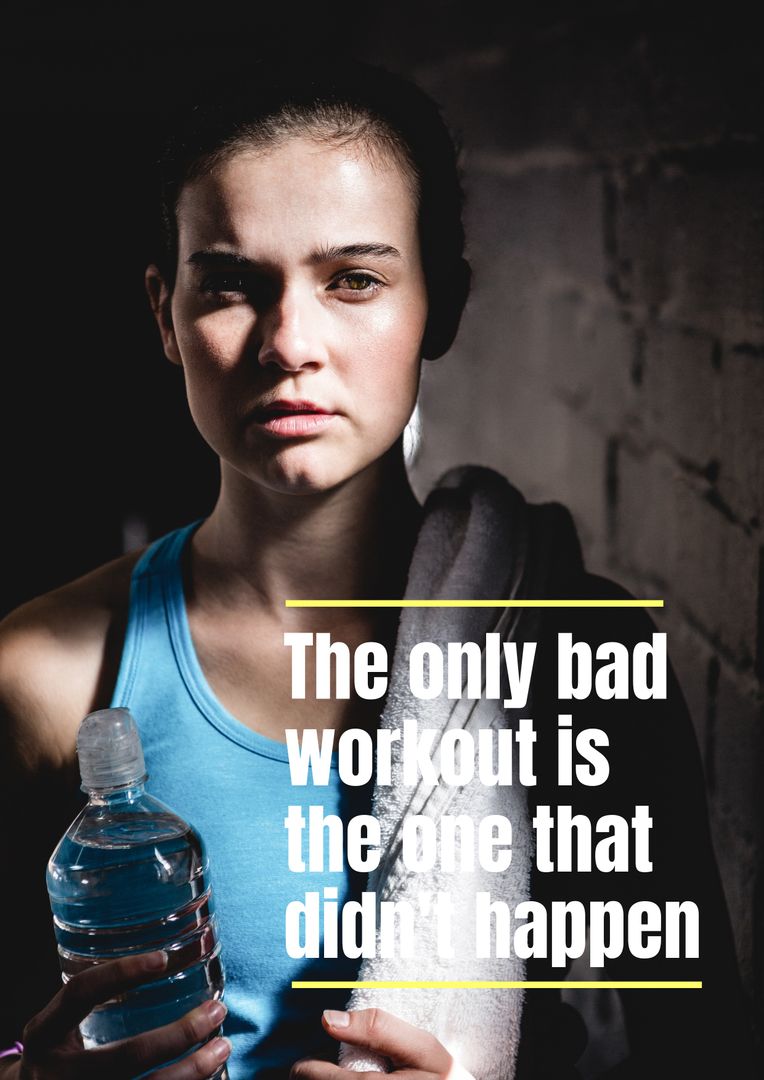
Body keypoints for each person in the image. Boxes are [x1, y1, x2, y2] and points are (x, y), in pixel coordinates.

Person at [0, 55, 753, 1080]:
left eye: (352, 279)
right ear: (161, 314)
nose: (288, 343)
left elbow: (703, 1055)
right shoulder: (47, 673)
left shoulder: (575, 649)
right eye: (229, 285)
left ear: (438, 306)